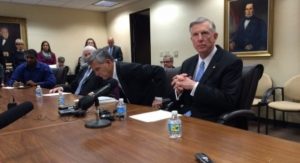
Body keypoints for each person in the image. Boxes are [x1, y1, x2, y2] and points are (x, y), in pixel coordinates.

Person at [171, 17, 243, 122]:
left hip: (211, 121)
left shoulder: (231, 62)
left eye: (204, 33)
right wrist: (178, 90)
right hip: (184, 118)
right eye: (195, 35)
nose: (200, 39)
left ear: (215, 36)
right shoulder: (187, 63)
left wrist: (193, 86)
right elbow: (180, 100)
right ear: (192, 40)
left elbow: (229, 101)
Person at [88, 48, 167, 107]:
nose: (96, 74)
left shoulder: (128, 69)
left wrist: (158, 98)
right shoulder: (108, 77)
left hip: (148, 108)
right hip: (133, 109)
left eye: (97, 69)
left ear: (108, 62)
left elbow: (158, 70)